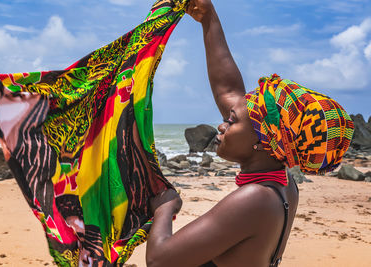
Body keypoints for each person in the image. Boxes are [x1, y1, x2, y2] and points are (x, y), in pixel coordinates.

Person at [146, 0, 353, 267]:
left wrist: (165, 207)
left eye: (230, 122)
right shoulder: (283, 184)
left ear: (262, 142)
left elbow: (159, 260)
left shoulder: (254, 199)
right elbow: (228, 91)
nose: (221, 125)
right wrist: (208, 18)